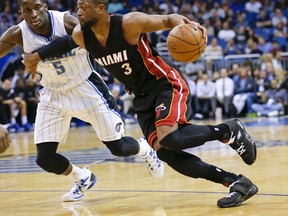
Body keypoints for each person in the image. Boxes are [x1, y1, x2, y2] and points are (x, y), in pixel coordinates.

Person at [23, 0, 258, 208]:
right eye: (78, 7)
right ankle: (235, 181)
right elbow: (62, 45)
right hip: (141, 95)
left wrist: (182, 24)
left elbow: (167, 19)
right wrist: (36, 57)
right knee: (168, 154)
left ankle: (229, 131)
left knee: (169, 138)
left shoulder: (129, 23)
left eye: (84, 8)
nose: (79, 12)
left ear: (101, 9)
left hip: (163, 83)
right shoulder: (81, 35)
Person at [0, 0, 164, 202]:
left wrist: (36, 57)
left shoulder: (65, 22)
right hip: (53, 94)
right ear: (20, 13)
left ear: (45, 6)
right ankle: (82, 177)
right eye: (27, 10)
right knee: (45, 159)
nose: (33, 13)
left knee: (119, 148)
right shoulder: (17, 33)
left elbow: (101, 38)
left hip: (85, 86)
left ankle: (143, 148)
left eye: (37, 7)